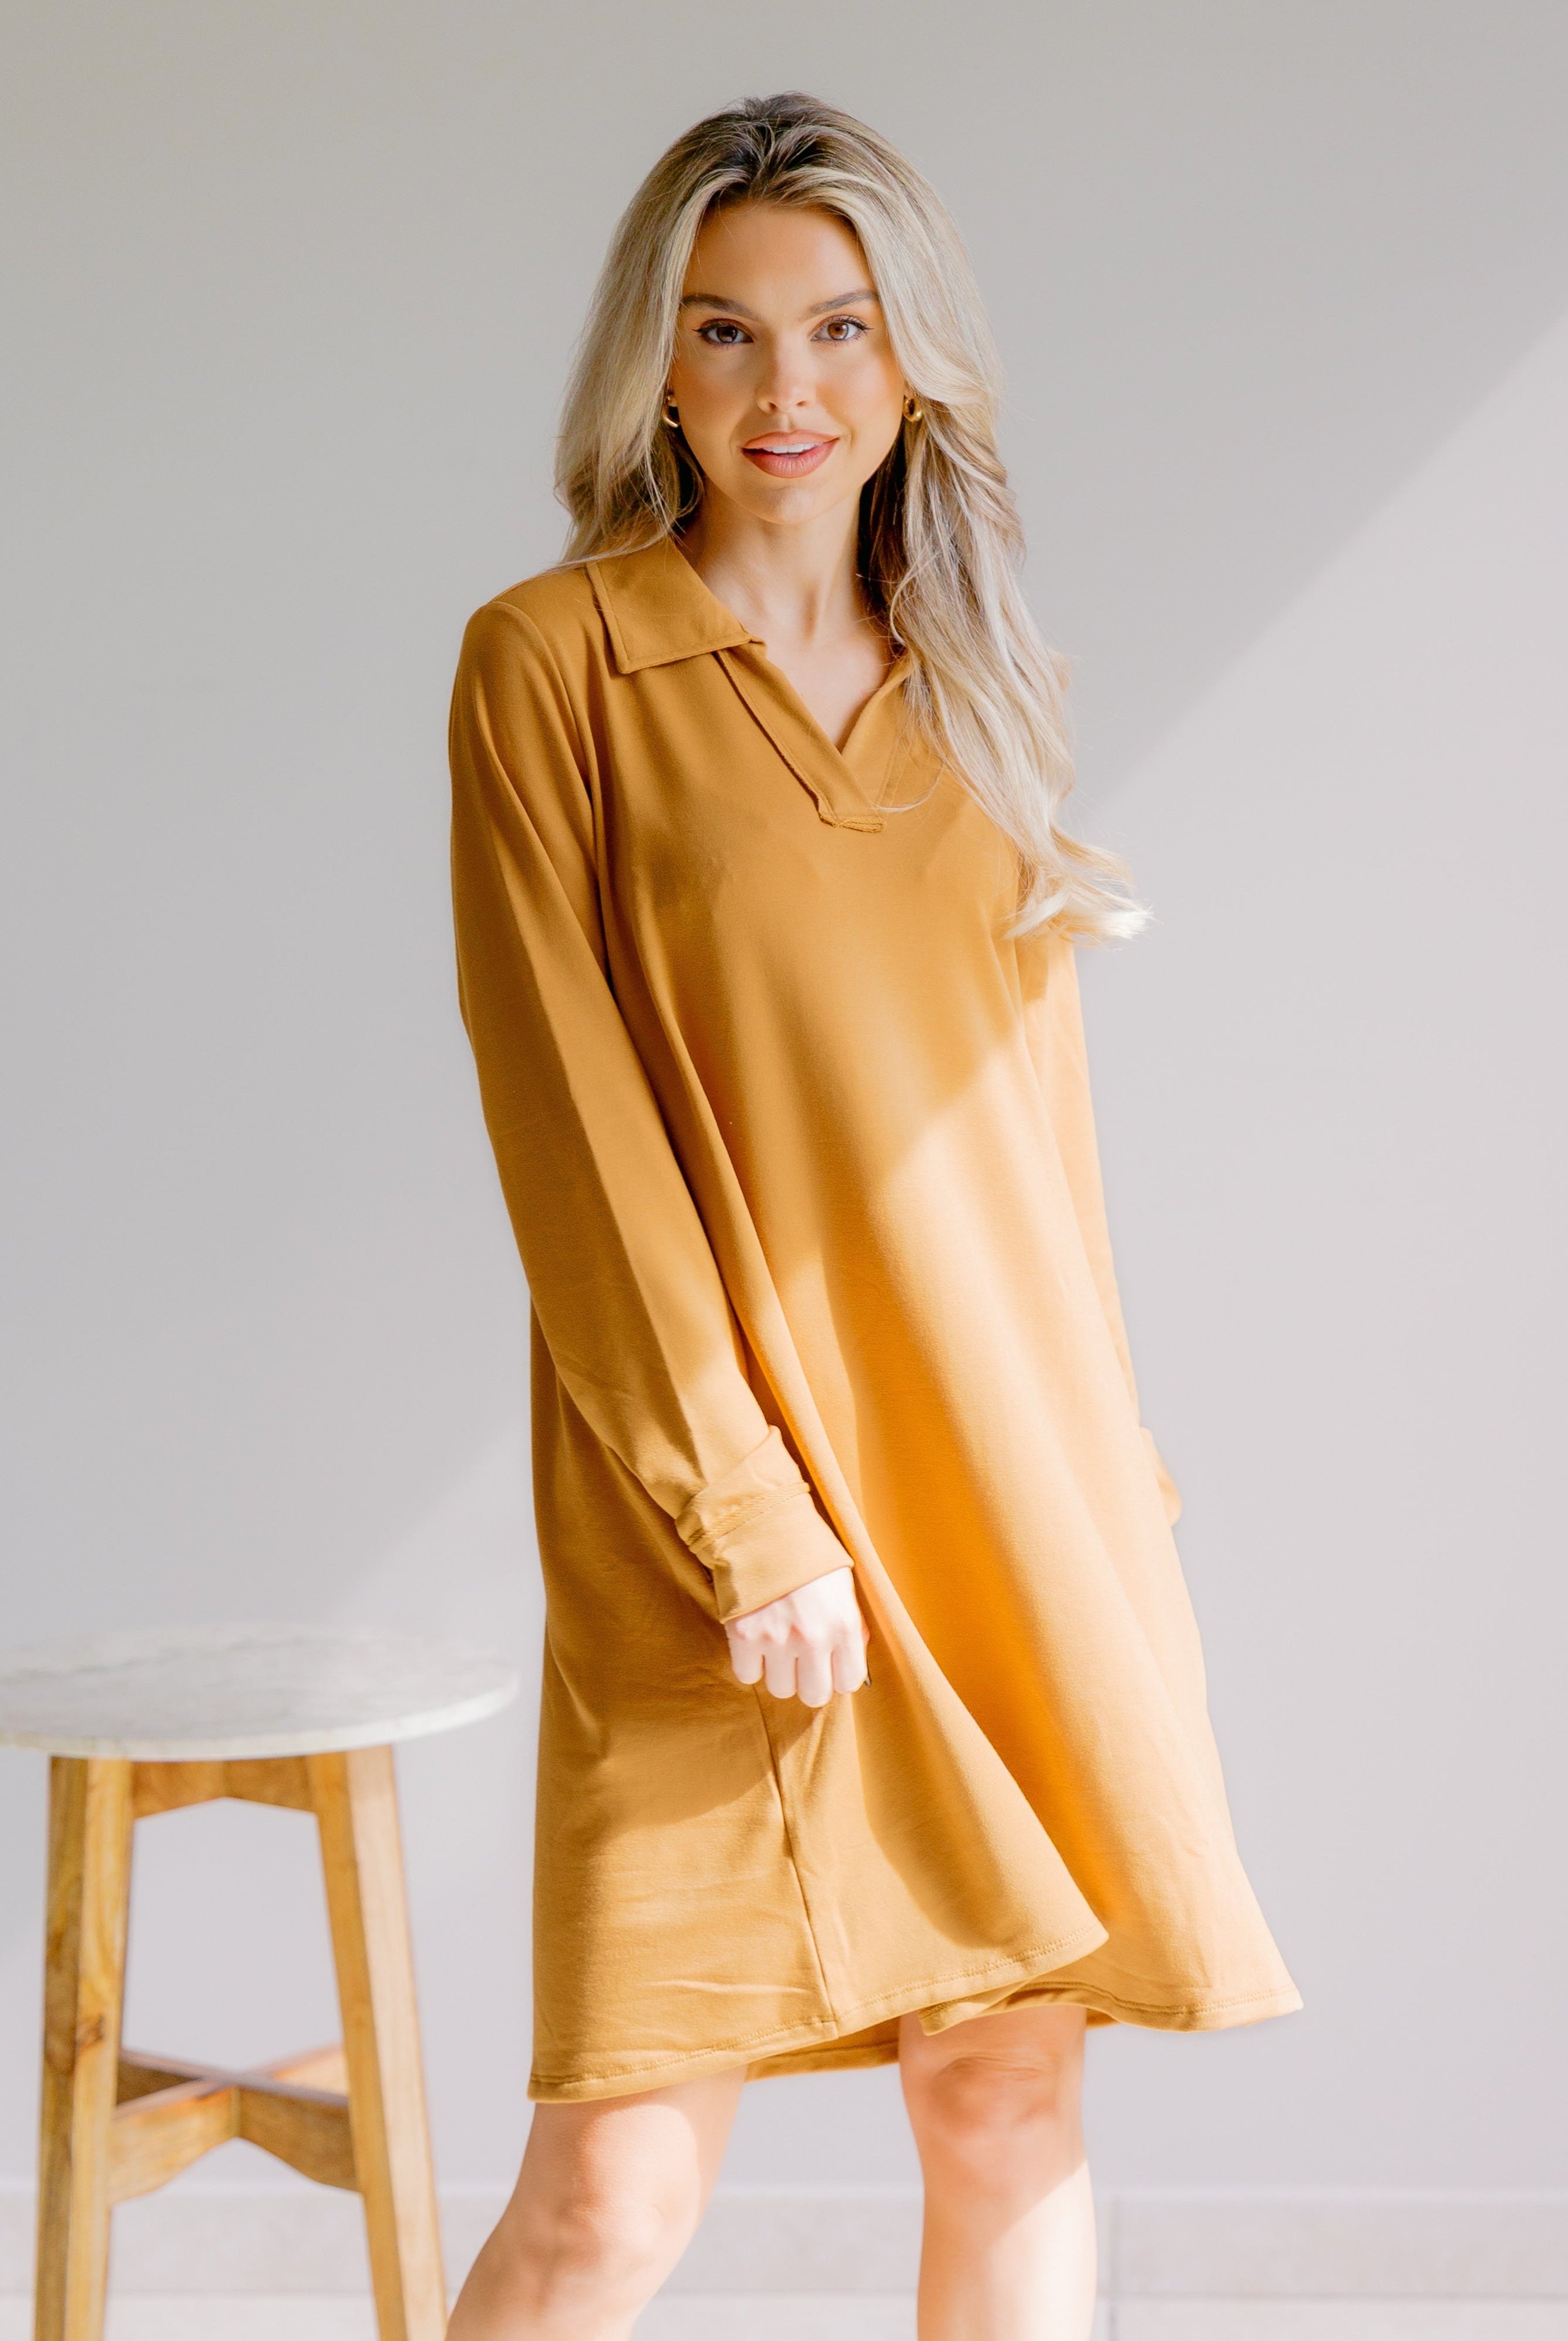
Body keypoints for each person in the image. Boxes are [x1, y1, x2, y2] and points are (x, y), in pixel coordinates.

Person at [445, 91, 1298, 2341]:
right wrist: (753, 1511)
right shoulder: (556, 667)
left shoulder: (985, 689)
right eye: (724, 335)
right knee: (620, 2182)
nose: (785, 392)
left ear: (917, 361)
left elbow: (1037, 1135)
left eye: (838, 329)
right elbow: (573, 1125)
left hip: (998, 1477)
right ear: (657, 366)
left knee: (1005, 2099)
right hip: (712, 1504)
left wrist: (1120, 1472)